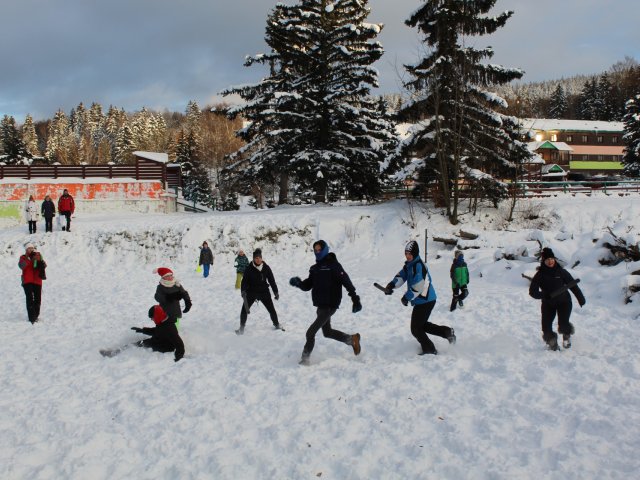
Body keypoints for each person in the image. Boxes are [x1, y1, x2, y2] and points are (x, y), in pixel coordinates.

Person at [289, 240, 362, 365]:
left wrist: (355, 298)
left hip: (330, 305)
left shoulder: (334, 266)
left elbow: (346, 281)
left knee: (310, 333)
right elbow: (308, 285)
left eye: (319, 249)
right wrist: (299, 283)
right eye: (315, 250)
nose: (317, 252)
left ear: (325, 249)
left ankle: (305, 360)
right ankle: (352, 339)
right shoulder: (315, 268)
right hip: (321, 305)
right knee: (327, 332)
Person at [383, 241, 455, 356]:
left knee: (416, 328)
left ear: (415, 253)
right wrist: (391, 285)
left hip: (426, 300)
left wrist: (406, 297)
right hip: (423, 300)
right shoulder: (409, 265)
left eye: (409, 253)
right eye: (406, 253)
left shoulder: (419, 266)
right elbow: (401, 276)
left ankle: (430, 349)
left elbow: (418, 286)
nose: (407, 256)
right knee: (422, 325)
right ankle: (446, 332)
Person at [529, 247, 585, 350]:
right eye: (547, 260)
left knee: (563, 324)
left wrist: (580, 298)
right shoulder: (540, 275)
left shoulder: (561, 272)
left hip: (564, 302)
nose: (550, 261)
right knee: (546, 327)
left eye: (552, 259)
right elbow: (532, 292)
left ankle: (566, 336)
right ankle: (552, 342)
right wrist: (544, 295)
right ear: (543, 261)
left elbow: (573, 285)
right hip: (548, 304)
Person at [236, 248, 281, 334]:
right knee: (244, 310)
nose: (258, 259)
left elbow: (272, 280)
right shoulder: (249, 268)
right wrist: (243, 291)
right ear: (253, 259)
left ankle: (276, 324)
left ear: (261, 258)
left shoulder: (266, 267)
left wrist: (275, 292)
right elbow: (244, 281)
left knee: (271, 309)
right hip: (251, 292)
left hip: (264, 292)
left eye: (259, 257)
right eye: (256, 258)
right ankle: (241, 328)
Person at [153, 267, 192, 361]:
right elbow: (157, 297)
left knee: (174, 331)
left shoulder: (177, 284)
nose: (170, 277)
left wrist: (187, 302)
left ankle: (173, 345)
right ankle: (165, 343)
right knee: (165, 330)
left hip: (175, 313)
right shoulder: (161, 286)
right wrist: (168, 297)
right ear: (163, 277)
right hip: (164, 314)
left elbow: (184, 293)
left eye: (171, 275)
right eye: (167, 276)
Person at [18, 243, 47, 324]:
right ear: (26, 250)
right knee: (30, 298)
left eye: (32, 248)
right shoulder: (23, 257)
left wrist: (39, 261)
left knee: (38, 299)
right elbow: (21, 266)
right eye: (29, 248)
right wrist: (30, 260)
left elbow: (44, 265)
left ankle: (36, 316)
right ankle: (32, 318)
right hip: (27, 281)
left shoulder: (38, 256)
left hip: (37, 281)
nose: (31, 249)